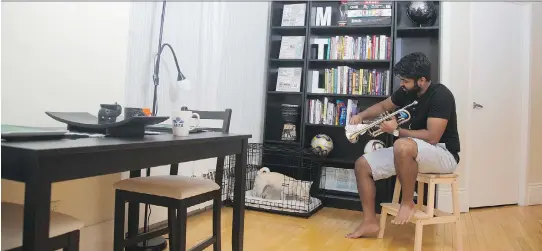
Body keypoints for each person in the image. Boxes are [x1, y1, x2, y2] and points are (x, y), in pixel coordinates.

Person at [345, 52, 460, 239]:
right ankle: (369, 223)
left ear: (421, 80)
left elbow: (432, 137)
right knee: (362, 165)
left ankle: (407, 203)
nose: (402, 85)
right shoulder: (407, 92)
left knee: (401, 145)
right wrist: (361, 116)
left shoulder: (441, 95)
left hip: (443, 153)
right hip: (411, 151)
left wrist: (396, 130)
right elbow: (383, 107)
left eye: (406, 81)